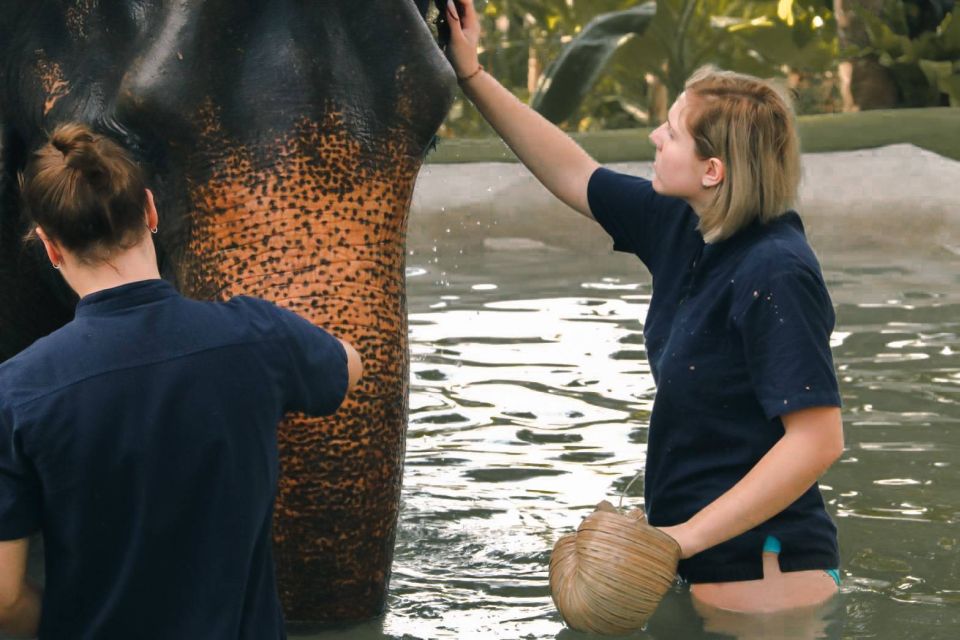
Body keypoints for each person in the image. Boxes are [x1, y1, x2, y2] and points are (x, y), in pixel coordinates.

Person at [444, 0, 845, 613]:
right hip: (687, 562)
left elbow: (817, 441)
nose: (655, 136)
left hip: (763, 580)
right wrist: (472, 75)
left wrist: (678, 540)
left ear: (712, 169)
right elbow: (571, 170)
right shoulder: (684, 222)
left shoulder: (777, 270)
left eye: (673, 131)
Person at [0, 123, 362, 638]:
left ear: (49, 246)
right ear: (150, 211)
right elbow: (349, 366)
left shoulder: (16, 393)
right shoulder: (258, 337)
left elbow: (4, 598)